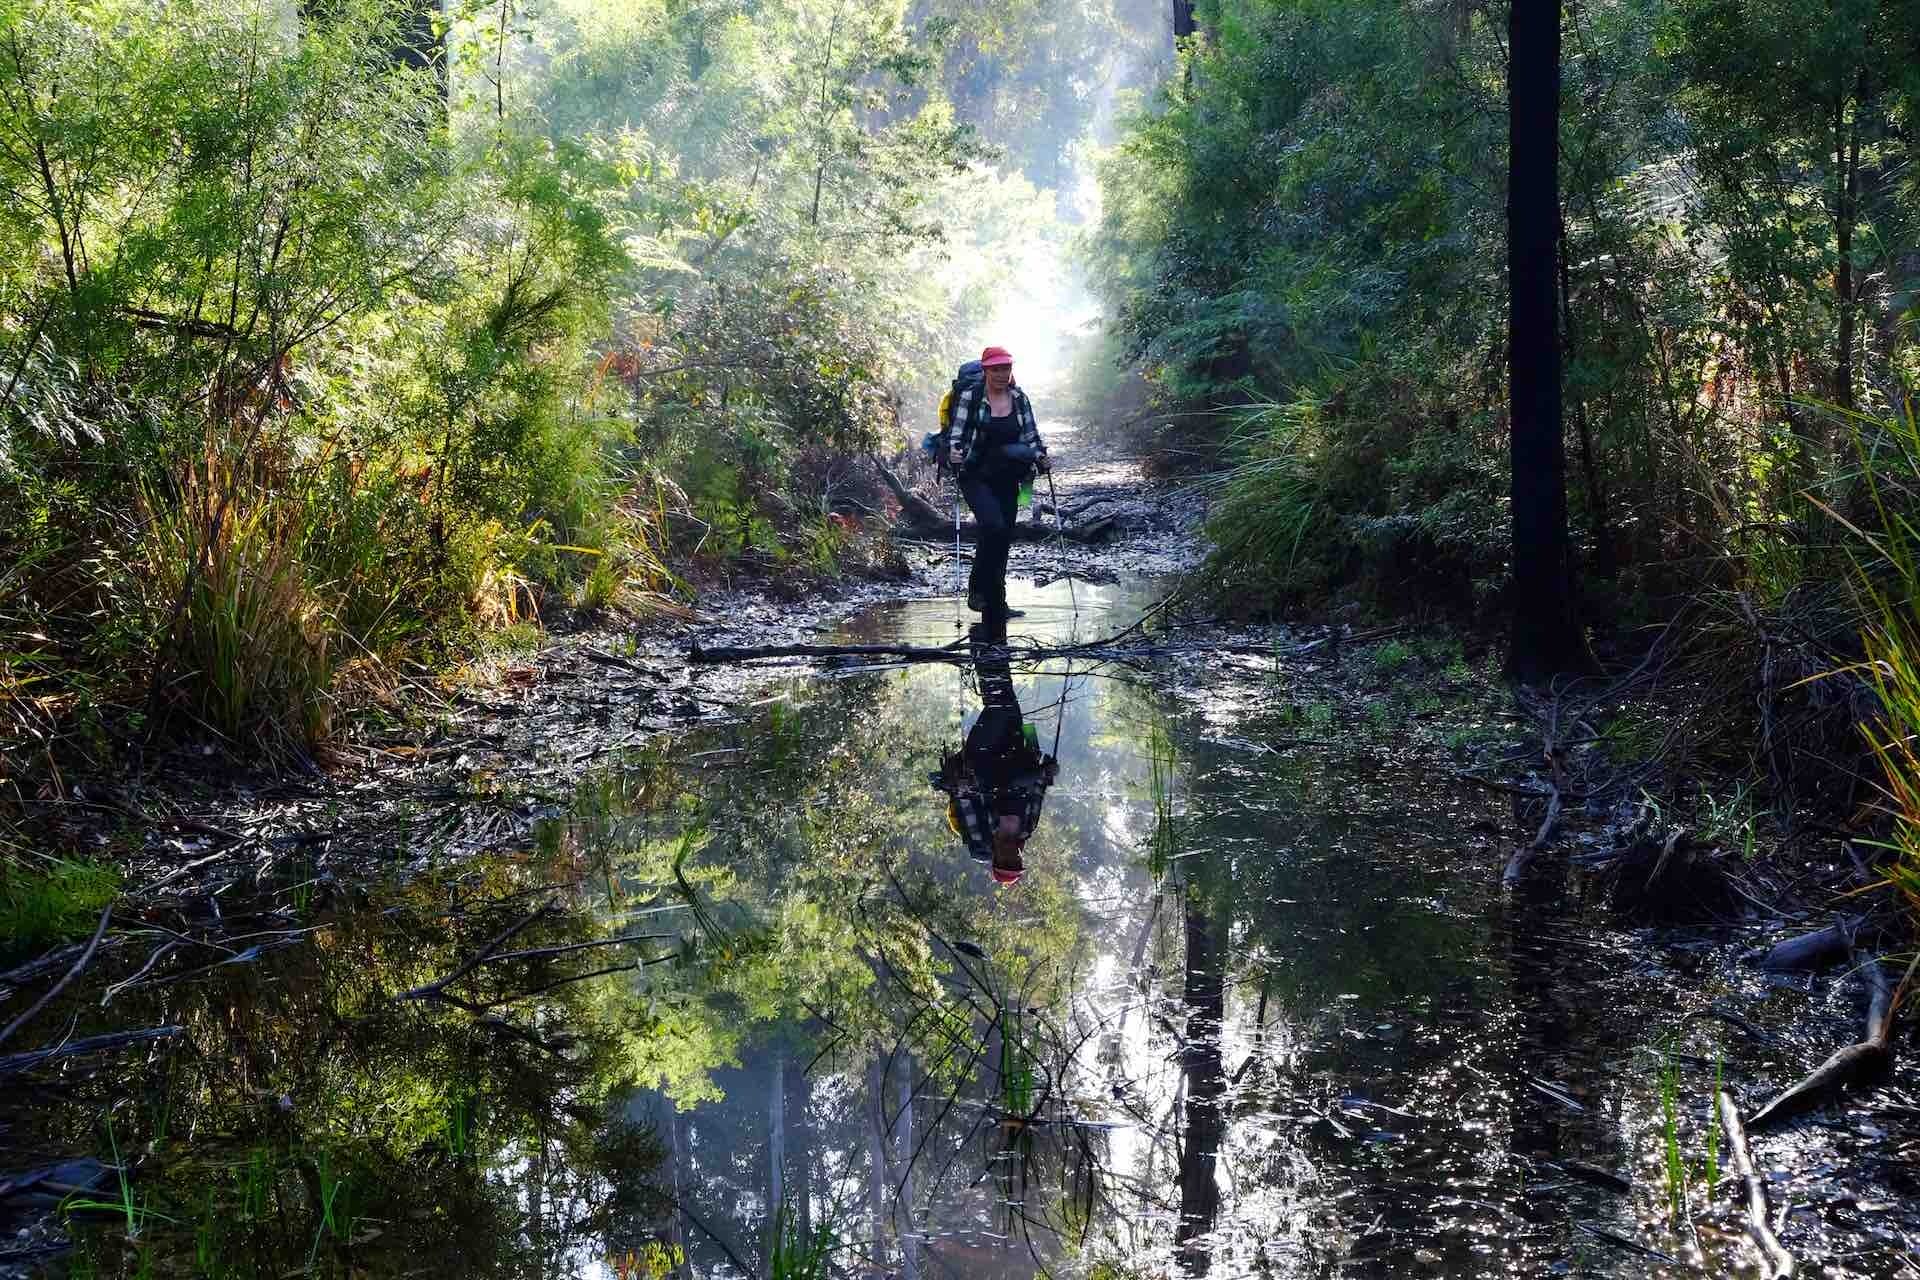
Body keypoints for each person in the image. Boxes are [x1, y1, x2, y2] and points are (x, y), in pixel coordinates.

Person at [929, 618, 1059, 884]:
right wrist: (1047, 771)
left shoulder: (981, 839)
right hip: (1016, 751)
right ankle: (988, 637)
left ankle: (984, 640)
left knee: (1000, 704)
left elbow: (965, 799)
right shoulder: (1027, 828)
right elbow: (1037, 791)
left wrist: (964, 783)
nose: (1014, 857)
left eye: (1008, 862)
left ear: (997, 859)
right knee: (1006, 699)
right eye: (1017, 863)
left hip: (983, 757)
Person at [948, 346, 1050, 617]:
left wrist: (1041, 457)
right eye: (996, 369)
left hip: (1008, 477)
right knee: (992, 526)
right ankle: (977, 590)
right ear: (986, 370)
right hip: (974, 475)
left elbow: (1031, 435)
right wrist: (954, 452)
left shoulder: (1019, 398)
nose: (1002, 374)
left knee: (1003, 536)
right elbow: (956, 434)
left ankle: (997, 604)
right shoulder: (970, 397)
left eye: (1006, 368)